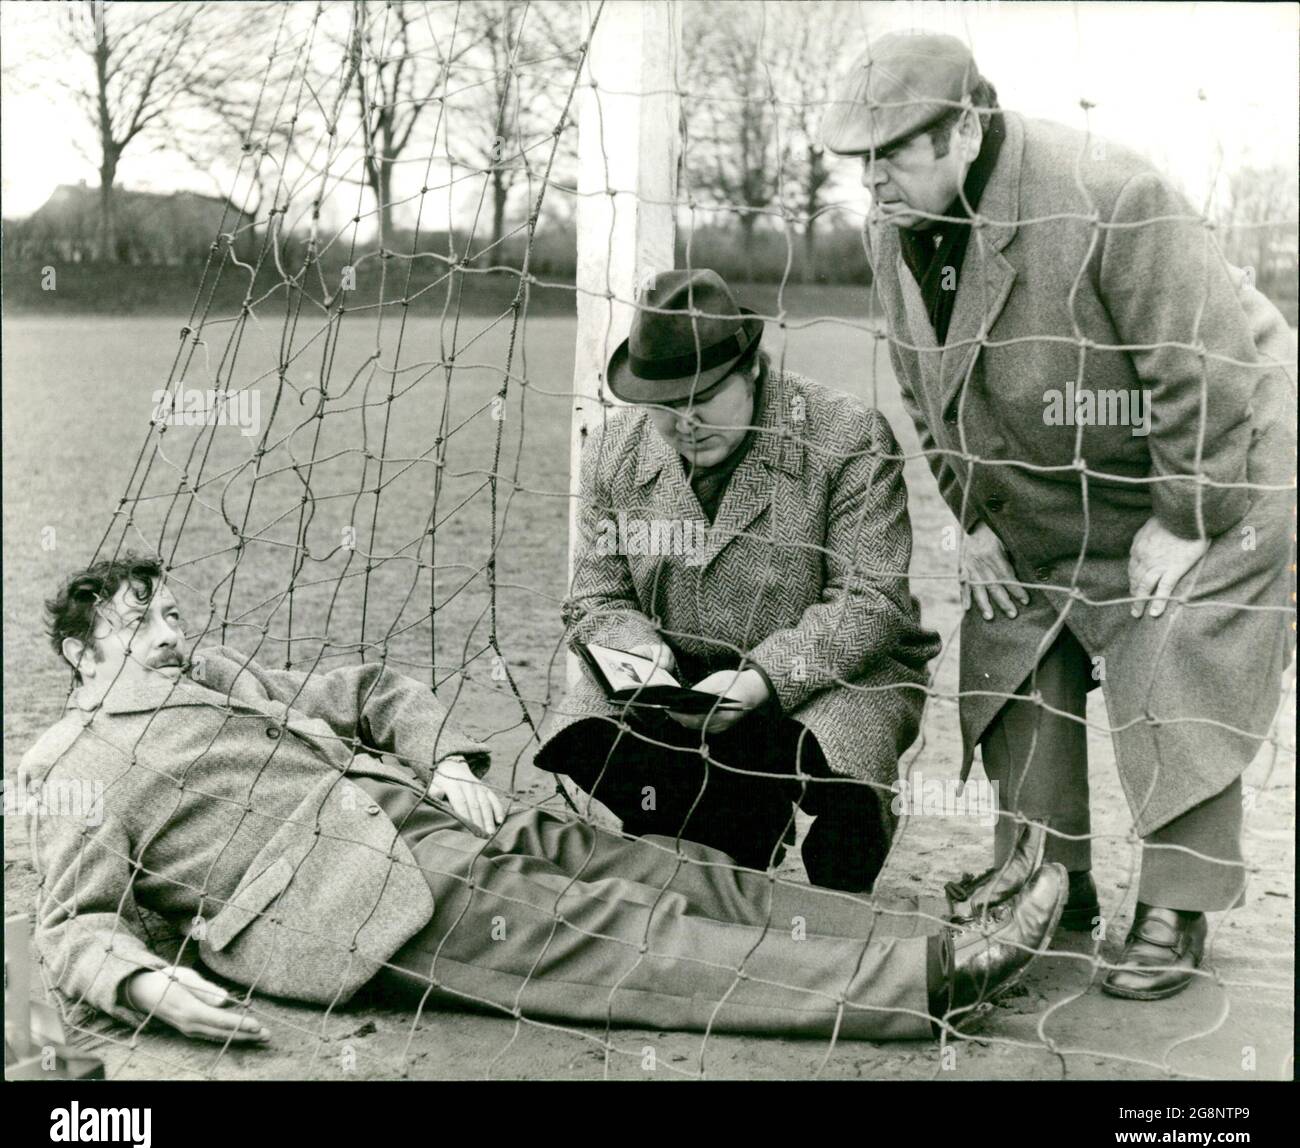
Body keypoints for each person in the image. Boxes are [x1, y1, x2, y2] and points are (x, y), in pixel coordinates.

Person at [23, 552, 1065, 1046]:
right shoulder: (78, 766)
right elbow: (68, 923)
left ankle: (933, 918)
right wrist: (143, 985)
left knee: (683, 874)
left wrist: (447, 764)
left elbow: (375, 693)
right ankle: (929, 980)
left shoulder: (220, 676)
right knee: (637, 939)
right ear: (80, 654)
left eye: (169, 607)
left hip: (430, 817)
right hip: (355, 897)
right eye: (136, 621)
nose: (168, 629)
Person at [822, 31, 1296, 999]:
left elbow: (1203, 367)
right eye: (858, 163)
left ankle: (1175, 899)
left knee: (1174, 631)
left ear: (962, 127)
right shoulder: (893, 232)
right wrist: (973, 518)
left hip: (1225, 451)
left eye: (890, 155)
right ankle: (1049, 876)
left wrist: (1186, 513)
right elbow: (924, 390)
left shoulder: (1109, 195)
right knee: (1009, 621)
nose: (871, 182)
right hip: (1052, 479)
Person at [535, 269, 942, 893]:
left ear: (751, 370)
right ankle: (721, 819)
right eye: (665, 404)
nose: (685, 421)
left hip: (827, 677)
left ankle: (837, 854)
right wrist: (646, 666)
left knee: (843, 812)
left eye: (703, 397)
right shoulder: (614, 446)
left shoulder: (847, 435)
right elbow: (596, 597)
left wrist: (760, 682)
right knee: (585, 730)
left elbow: (870, 603)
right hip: (684, 681)